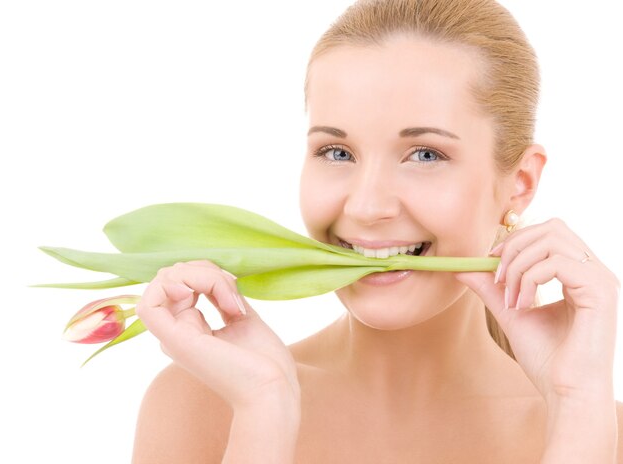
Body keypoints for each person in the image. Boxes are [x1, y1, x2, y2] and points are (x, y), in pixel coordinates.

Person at [131, 0, 622, 462]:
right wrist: (265, 412)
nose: (366, 206)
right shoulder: (202, 402)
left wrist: (576, 406)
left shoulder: (600, 428)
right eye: (337, 152)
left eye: (426, 155)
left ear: (519, 183)